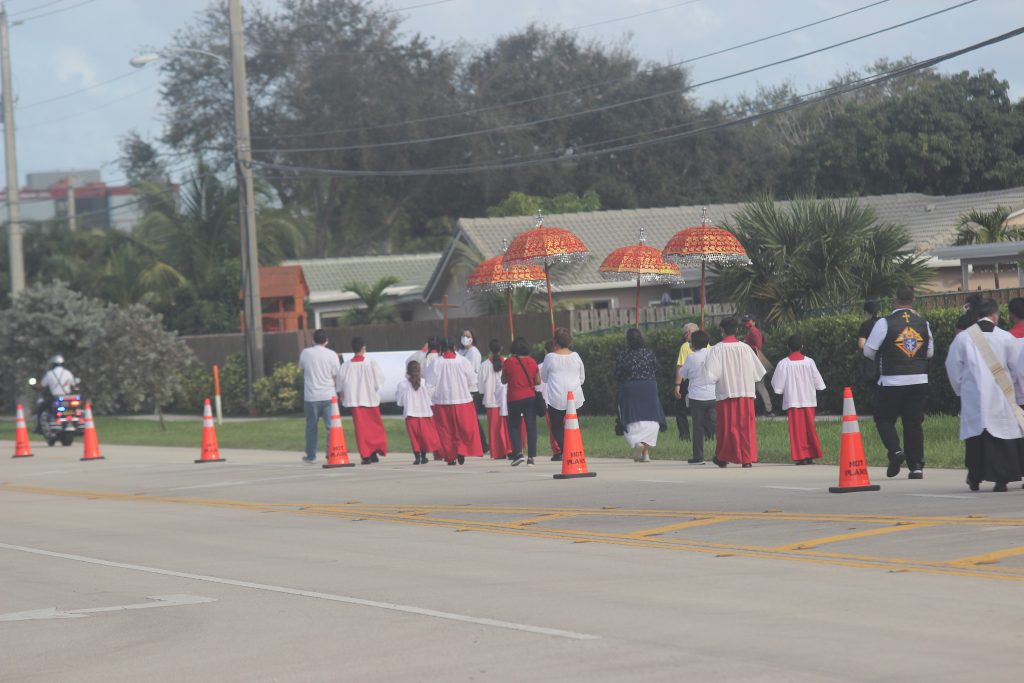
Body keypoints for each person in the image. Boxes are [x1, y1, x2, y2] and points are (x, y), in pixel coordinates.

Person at [946, 299, 1024, 492]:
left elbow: (952, 366)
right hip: (1001, 394)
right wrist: (1016, 388)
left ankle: (975, 477)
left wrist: (961, 389)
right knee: (1002, 437)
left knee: (976, 437)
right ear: (995, 315)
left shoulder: (963, 338)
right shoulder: (1006, 337)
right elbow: (1017, 367)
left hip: (974, 396)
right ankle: (1001, 480)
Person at [864, 286, 934, 480]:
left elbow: (868, 351)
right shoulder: (924, 323)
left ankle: (895, 451)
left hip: (891, 380)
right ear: (913, 300)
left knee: (884, 418)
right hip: (919, 379)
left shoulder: (884, 323)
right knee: (913, 423)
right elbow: (929, 353)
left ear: (895, 300)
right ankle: (916, 466)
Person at [704, 317, 767, 468]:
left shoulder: (716, 349)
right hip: (746, 392)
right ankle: (747, 459)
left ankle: (723, 457)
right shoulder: (746, 348)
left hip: (726, 392)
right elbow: (757, 373)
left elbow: (711, 375)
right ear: (737, 330)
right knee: (746, 427)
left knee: (726, 427)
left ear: (722, 330)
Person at [424, 338, 483, 465]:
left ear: (441, 348)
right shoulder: (463, 361)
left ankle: (450, 457)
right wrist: (465, 388)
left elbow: (429, 383)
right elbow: (473, 380)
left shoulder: (437, 362)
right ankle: (461, 449)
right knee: (464, 428)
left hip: (443, 401)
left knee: (446, 430)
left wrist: (430, 399)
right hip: (462, 400)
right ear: (454, 347)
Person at [771, 334, 826, 465]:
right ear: (802, 346)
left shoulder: (783, 364)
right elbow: (819, 383)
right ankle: (810, 455)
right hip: (809, 400)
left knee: (797, 430)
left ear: (788, 347)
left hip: (793, 400)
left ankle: (801, 456)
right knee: (809, 429)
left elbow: (777, 386)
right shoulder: (809, 362)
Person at [613, 328, 667, 462]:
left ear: (627, 340)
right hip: (649, 387)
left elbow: (617, 374)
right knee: (650, 418)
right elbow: (656, 369)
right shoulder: (649, 353)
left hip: (630, 388)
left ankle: (637, 443)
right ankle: (646, 453)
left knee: (631, 417)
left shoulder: (623, 355)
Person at [338, 337, 388, 465]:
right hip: (370, 399)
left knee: (361, 429)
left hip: (356, 401)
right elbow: (379, 380)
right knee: (375, 427)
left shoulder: (346, 365)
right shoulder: (370, 363)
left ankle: (366, 455)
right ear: (363, 348)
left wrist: (342, 394)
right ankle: (373, 452)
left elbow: (340, 384)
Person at [297, 330, 342, 464]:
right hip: (329, 395)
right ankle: (330, 453)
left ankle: (311, 456)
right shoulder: (332, 354)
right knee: (331, 427)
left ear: (313, 340)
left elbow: (302, 369)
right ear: (326, 341)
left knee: (311, 427)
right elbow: (336, 375)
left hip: (311, 396)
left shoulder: (305, 353)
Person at [541, 327, 586, 460]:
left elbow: (544, 378)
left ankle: (566, 449)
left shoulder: (550, 357)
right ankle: (574, 449)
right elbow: (582, 378)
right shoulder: (576, 356)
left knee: (556, 427)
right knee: (573, 426)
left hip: (556, 397)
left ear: (555, 341)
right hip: (575, 397)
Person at [678, 330, 716, 465]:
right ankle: (723, 454)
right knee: (716, 424)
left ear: (693, 344)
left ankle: (698, 457)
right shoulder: (713, 355)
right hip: (713, 394)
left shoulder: (691, 358)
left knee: (697, 427)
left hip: (696, 397)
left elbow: (682, 374)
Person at [501, 337, 540, 466]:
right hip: (530, 397)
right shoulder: (532, 362)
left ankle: (518, 453)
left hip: (514, 397)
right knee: (531, 427)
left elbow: (503, 380)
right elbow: (538, 381)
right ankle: (531, 457)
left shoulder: (509, 362)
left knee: (514, 426)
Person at [396, 360, 441, 465]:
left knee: (414, 437)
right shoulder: (424, 383)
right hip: (424, 413)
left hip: (411, 414)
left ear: (407, 371)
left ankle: (417, 457)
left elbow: (400, 401)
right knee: (423, 436)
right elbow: (430, 396)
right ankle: (424, 457)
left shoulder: (402, 385)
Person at [479, 339, 513, 459]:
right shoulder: (507, 362)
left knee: (494, 428)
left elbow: (481, 388)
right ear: (501, 349)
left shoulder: (484, 365)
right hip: (505, 399)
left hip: (491, 400)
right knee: (507, 427)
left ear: (489, 349)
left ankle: (498, 452)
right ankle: (510, 449)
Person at [458, 328, 489, 454]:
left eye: (468, 336)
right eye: (463, 335)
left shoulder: (474, 352)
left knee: (473, 419)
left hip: (471, 389)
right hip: (461, 389)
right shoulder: (461, 351)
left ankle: (484, 445)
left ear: (472, 338)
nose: (465, 338)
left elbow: (471, 371)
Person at [741, 314, 774, 416]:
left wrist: (745, 346)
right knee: (758, 386)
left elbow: (758, 347)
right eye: (745, 321)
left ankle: (767, 410)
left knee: (758, 386)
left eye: (748, 321)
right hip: (753, 362)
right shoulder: (751, 331)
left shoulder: (753, 331)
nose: (746, 323)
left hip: (755, 363)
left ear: (754, 322)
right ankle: (766, 410)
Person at [673, 322, 700, 440]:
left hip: (687, 381)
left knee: (681, 409)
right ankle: (707, 435)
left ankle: (684, 436)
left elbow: (680, 366)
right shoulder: (708, 345)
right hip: (703, 381)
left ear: (688, 333)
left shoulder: (685, 346)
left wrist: (677, 385)